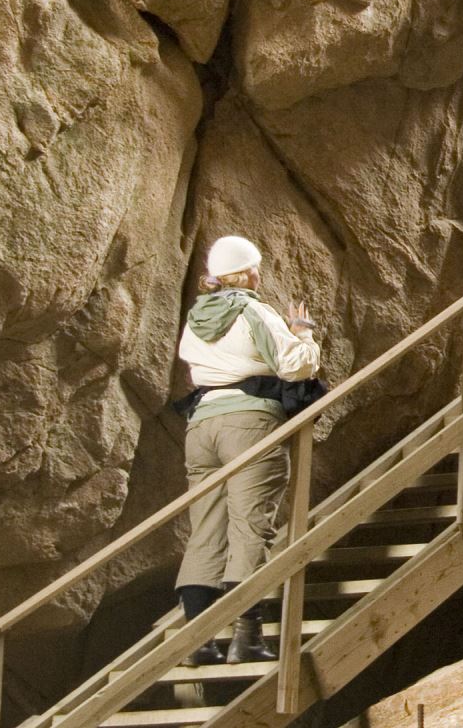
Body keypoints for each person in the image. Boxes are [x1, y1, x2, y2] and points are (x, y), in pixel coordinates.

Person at [173, 235, 322, 665]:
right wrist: (302, 333)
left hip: (202, 426)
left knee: (205, 532)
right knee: (250, 526)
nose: (260, 272)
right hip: (248, 423)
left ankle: (199, 642)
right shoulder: (253, 309)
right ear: (247, 272)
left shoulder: (196, 316)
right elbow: (295, 365)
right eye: (256, 266)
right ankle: (247, 638)